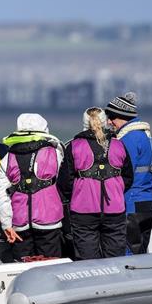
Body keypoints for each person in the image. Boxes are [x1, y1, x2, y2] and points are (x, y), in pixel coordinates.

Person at [58, 107, 133, 260]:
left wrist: (80, 192)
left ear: (84, 123)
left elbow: (65, 182)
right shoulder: (119, 145)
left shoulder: (74, 146)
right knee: (115, 259)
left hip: (83, 210)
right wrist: (115, 190)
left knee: (88, 260)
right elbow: (128, 177)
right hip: (115, 209)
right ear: (105, 121)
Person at [0, 113, 64, 260]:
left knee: (23, 268)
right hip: (49, 222)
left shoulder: (7, 158)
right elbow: (65, 182)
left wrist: (6, 225)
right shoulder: (55, 153)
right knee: (51, 267)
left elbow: (1, 194)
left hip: (19, 224)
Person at [105, 92, 152, 255]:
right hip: (147, 204)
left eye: (111, 117)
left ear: (121, 116)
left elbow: (122, 172)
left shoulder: (128, 139)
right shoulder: (146, 136)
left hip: (131, 205)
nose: (108, 122)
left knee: (128, 254)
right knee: (141, 252)